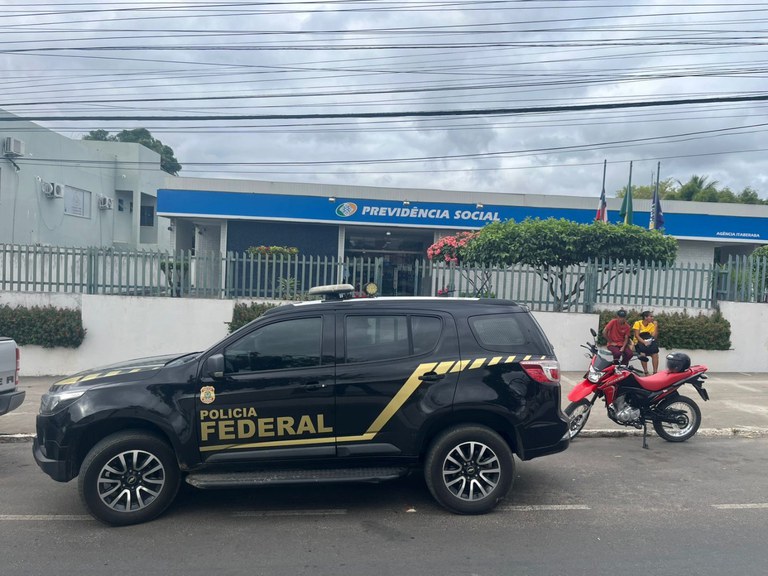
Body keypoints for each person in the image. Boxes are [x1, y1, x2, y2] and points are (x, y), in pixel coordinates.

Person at [633, 310, 660, 375]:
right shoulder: (638, 323)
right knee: (643, 354)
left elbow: (654, 337)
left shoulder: (652, 325)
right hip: (639, 342)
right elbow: (637, 335)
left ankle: (655, 372)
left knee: (655, 354)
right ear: (645, 317)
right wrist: (644, 342)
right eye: (651, 316)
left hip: (649, 342)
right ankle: (646, 372)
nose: (652, 318)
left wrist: (656, 326)